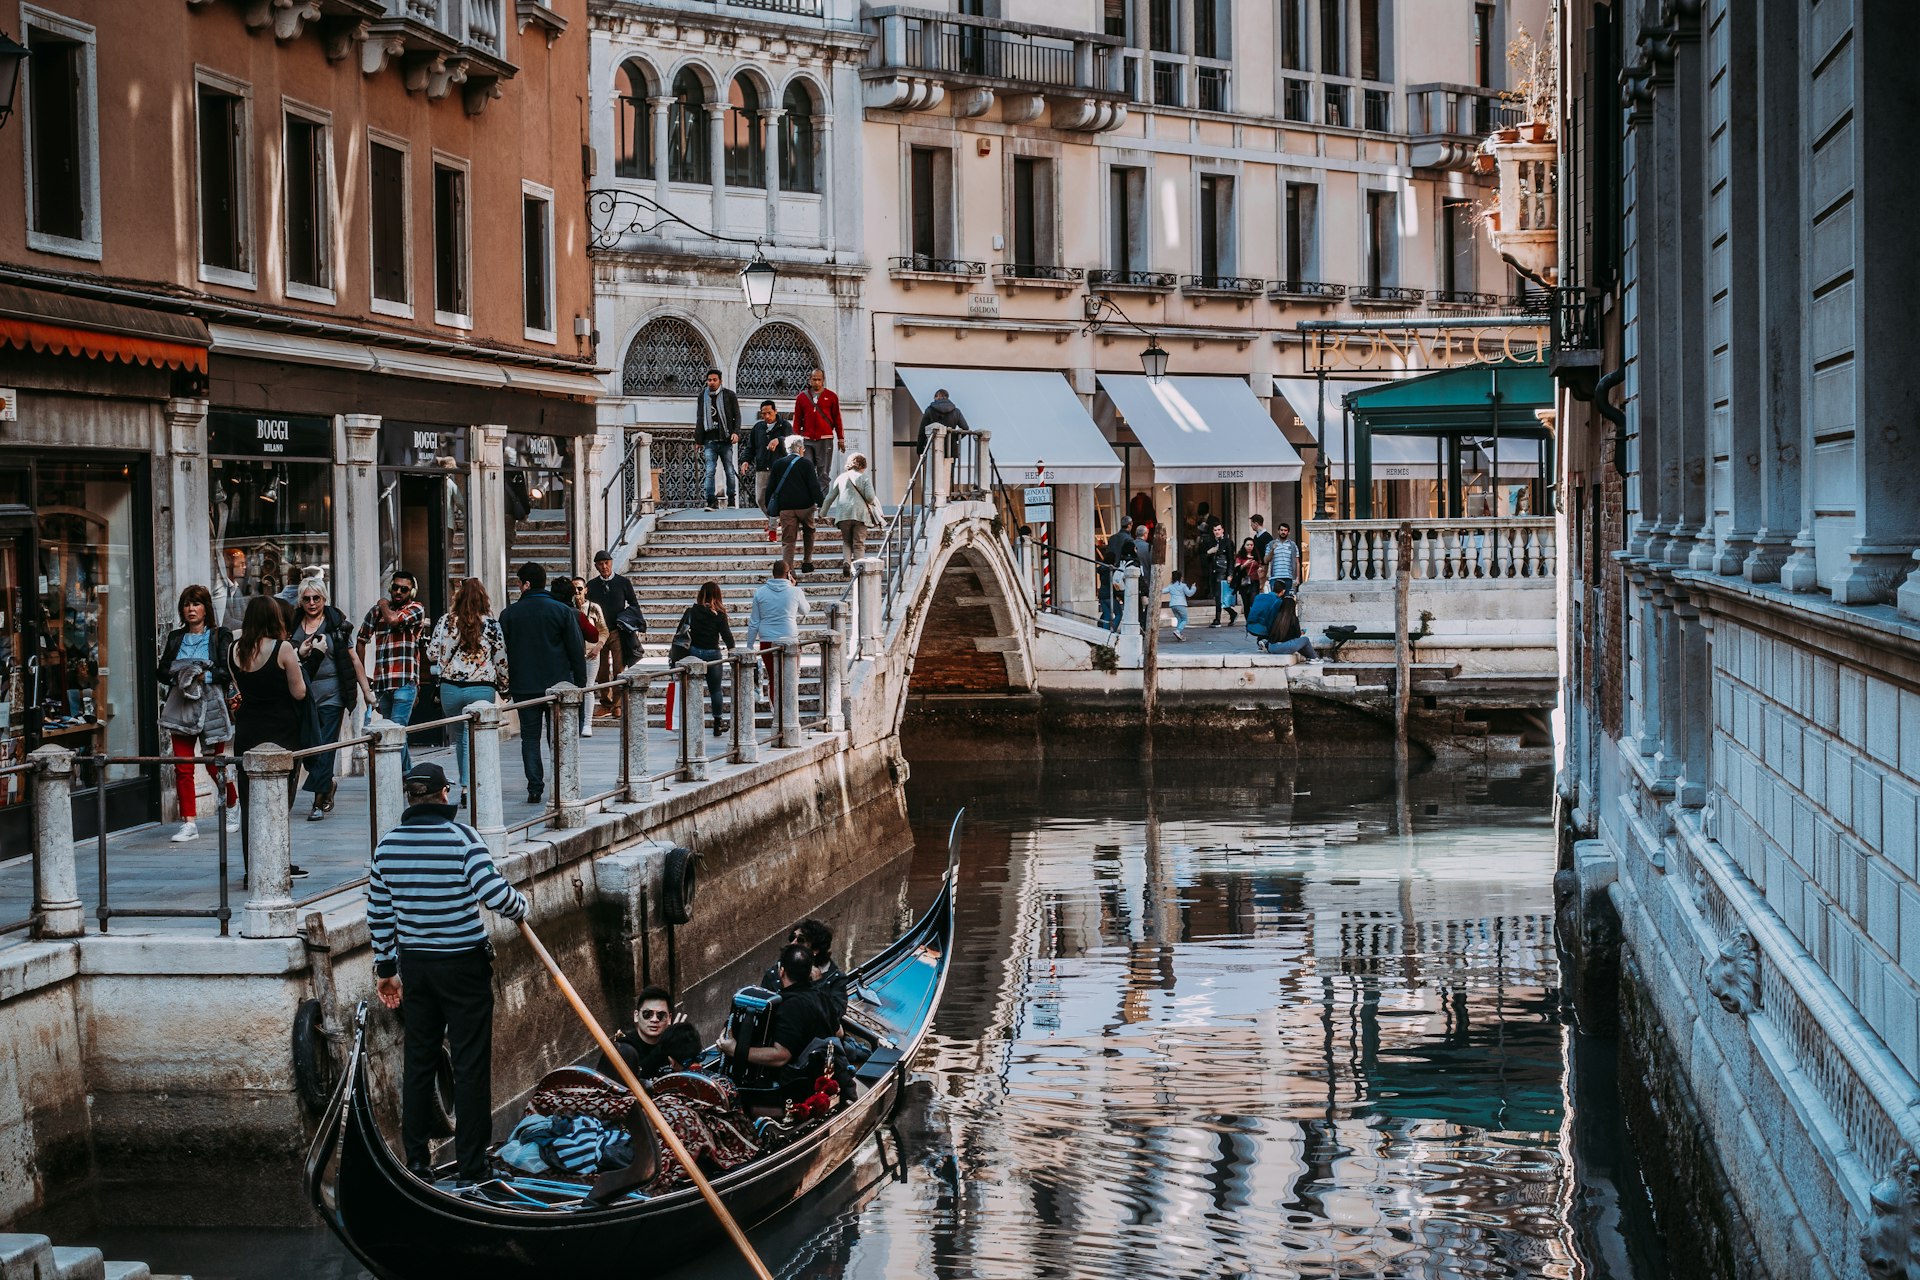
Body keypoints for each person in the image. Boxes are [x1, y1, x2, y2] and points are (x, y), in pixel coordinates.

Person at [368, 761, 529, 1185]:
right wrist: (522, 907)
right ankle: (473, 1167)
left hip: (415, 968)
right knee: (470, 1064)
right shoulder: (462, 838)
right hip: (462, 967)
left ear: (410, 798)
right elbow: (494, 893)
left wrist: (386, 971)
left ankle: (417, 1162)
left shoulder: (387, 846)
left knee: (419, 1062)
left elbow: (379, 916)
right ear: (444, 794)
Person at [229, 595, 309, 878]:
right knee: (279, 801)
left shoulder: (233, 650)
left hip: (248, 729)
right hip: (281, 730)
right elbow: (299, 692)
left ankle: (253, 868)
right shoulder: (283, 648)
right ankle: (278, 864)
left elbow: (241, 688)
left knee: (250, 802)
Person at [498, 562, 587, 806]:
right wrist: (579, 683)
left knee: (529, 737)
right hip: (557, 685)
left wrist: (504, 686)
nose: (518, 587)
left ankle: (534, 787)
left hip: (524, 686)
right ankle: (560, 782)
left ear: (526, 584)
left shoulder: (508, 615)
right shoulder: (562, 611)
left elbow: (501, 653)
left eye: (519, 582)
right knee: (557, 736)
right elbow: (576, 650)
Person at [156, 584, 239, 843]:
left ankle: (232, 805)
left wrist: (204, 675)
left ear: (206, 608)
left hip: (212, 704)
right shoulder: (175, 637)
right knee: (182, 766)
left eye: (197, 604)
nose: (191, 609)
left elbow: (229, 670)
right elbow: (161, 670)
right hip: (181, 704)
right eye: (187, 605)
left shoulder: (220, 635)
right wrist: (180, 675)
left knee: (215, 763)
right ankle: (189, 822)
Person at [290, 578, 372, 822]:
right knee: (308, 751)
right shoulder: (293, 623)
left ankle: (316, 803)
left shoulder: (337, 624)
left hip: (333, 695)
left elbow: (354, 660)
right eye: (307, 598)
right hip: (303, 695)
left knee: (325, 748)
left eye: (317, 598)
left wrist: (366, 691)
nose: (312, 603)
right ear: (300, 601)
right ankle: (328, 785)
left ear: (324, 599)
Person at [425, 578, 508, 798]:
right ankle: (477, 784)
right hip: (481, 687)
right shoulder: (490, 624)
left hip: (450, 688)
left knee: (461, 738)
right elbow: (500, 660)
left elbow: (431, 654)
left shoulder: (445, 621)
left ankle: (464, 784)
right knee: (479, 736)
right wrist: (505, 687)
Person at [715, 942, 840, 1087]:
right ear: (809, 972)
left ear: (781, 971)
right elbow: (839, 1032)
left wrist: (735, 1050)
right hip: (821, 1074)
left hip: (794, 1086)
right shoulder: (822, 995)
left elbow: (781, 1056)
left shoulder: (787, 1006)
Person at [356, 569, 428, 773]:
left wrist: (382, 603)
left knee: (395, 731)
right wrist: (363, 673)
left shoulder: (416, 608)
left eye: (403, 589)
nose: (398, 592)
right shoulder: (376, 611)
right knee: (395, 734)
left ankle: (404, 775)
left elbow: (394, 621)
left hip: (404, 681)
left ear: (411, 592)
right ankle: (407, 775)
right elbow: (361, 640)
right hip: (381, 682)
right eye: (395, 587)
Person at [598, 986, 703, 1081]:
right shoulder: (625, 1047)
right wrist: (667, 1044)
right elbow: (636, 1077)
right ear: (636, 1016)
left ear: (669, 1019)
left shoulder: (674, 1042)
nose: (654, 1019)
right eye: (647, 1014)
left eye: (660, 1015)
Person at [585, 551, 644, 718]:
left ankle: (618, 704)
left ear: (611, 563)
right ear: (596, 566)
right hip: (598, 634)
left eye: (607, 563)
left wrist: (627, 619)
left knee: (619, 668)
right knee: (602, 670)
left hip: (618, 631)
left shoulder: (623, 582)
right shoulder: (592, 585)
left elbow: (634, 604)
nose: (604, 567)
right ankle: (606, 702)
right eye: (600, 564)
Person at [746, 561, 811, 711]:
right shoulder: (795, 592)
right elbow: (805, 610)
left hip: (767, 640)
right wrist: (795, 588)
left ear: (773, 573)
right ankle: (789, 713)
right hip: (790, 638)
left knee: (774, 679)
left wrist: (749, 646)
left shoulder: (760, 592)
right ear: (788, 574)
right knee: (791, 677)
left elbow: (754, 622)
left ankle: (777, 714)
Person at [765, 436, 825, 576]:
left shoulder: (778, 464)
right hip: (806, 507)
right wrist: (821, 504)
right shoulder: (807, 464)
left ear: (787, 449)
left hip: (786, 508)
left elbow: (770, 488)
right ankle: (807, 562)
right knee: (809, 532)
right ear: (800, 449)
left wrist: (770, 508)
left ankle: (788, 570)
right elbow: (814, 486)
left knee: (788, 540)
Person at [681, 580, 735, 735]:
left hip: (694, 653)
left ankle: (692, 724)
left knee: (692, 691)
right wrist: (733, 650)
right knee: (715, 690)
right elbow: (727, 636)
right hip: (713, 654)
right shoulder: (720, 614)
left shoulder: (692, 611)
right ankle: (718, 724)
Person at [819, 453, 881, 573]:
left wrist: (822, 513)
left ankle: (847, 562)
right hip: (861, 515)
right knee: (858, 544)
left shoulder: (841, 478)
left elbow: (829, 497)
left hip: (843, 515)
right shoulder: (864, 478)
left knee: (847, 541)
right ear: (863, 465)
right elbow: (870, 497)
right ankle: (859, 569)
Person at [567, 576, 609, 738]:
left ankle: (587, 723)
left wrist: (599, 646)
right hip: (574, 654)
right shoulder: (568, 608)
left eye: (580, 588)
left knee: (589, 687)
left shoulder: (593, 607)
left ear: (585, 589)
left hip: (591, 653)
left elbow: (603, 629)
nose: (577, 591)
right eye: (574, 588)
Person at [792, 368, 845, 493]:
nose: (816, 382)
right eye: (814, 379)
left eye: (819, 380)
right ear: (810, 380)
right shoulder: (802, 397)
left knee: (824, 472)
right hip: (807, 439)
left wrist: (841, 438)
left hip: (825, 439)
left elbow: (837, 418)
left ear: (823, 380)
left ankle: (823, 502)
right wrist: (795, 439)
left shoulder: (832, 397)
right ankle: (809, 501)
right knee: (807, 469)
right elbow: (797, 419)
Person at [696, 368, 742, 510]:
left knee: (729, 470)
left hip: (726, 439)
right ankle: (711, 501)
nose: (711, 382)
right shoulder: (702, 396)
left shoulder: (729, 395)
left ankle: (732, 500)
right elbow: (700, 418)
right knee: (710, 471)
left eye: (714, 380)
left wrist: (736, 432)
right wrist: (698, 440)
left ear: (720, 381)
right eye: (709, 380)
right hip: (709, 440)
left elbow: (737, 416)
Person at [741, 400, 789, 512]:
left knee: (780, 496)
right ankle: (773, 520)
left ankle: (776, 522)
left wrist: (779, 440)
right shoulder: (758, 427)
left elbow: (793, 442)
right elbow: (751, 447)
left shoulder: (784, 426)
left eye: (769, 413)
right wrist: (745, 460)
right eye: (764, 414)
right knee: (760, 498)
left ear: (776, 411)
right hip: (762, 467)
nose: (767, 416)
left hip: (779, 468)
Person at [1200, 520, 1236, 627]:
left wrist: (1230, 574)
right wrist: (1209, 553)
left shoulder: (1227, 542)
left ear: (1223, 530)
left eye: (1219, 530)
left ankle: (1218, 619)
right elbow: (1205, 559)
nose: (1217, 532)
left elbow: (1231, 559)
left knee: (1219, 596)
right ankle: (1232, 613)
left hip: (1223, 571)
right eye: (1215, 530)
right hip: (1213, 571)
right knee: (1218, 596)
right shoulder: (1211, 542)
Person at [1267, 587, 1320, 659]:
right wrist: (1301, 632)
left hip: (1272, 647)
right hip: (1283, 647)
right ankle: (1314, 658)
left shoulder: (1276, 617)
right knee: (1305, 640)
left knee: (1297, 643)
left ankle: (1310, 657)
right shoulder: (1293, 619)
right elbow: (1297, 636)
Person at [916, 387, 970, 454]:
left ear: (936, 397)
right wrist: (953, 438)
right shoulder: (956, 411)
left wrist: (920, 450)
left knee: (933, 464)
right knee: (950, 464)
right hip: (951, 448)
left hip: (933, 447)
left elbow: (922, 431)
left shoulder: (929, 410)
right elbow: (965, 428)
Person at [1266, 521, 1302, 595]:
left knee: (1287, 599)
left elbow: (1297, 562)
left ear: (1288, 532)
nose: (1283, 532)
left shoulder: (1293, 545)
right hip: (1275, 577)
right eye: (1281, 530)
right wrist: (1272, 550)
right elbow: (1266, 560)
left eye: (1285, 530)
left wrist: (1298, 578)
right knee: (1275, 599)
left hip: (1288, 577)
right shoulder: (1271, 544)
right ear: (1278, 531)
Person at [1232, 537, 1263, 614]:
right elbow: (1237, 568)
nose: (1249, 546)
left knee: (1253, 601)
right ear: (1244, 546)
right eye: (1248, 545)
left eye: (1251, 545)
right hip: (1244, 582)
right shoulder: (1240, 556)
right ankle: (1248, 622)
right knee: (1246, 604)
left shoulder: (1256, 555)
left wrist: (1260, 569)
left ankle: (1253, 618)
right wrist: (1245, 564)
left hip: (1254, 581)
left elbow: (1260, 565)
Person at [1161, 571, 1195, 642]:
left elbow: (1163, 591)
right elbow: (1189, 594)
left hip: (1173, 605)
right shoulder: (1183, 586)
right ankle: (1178, 631)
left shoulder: (1170, 586)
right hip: (1181, 604)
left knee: (1179, 619)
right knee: (1185, 619)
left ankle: (1179, 634)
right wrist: (1193, 587)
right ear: (1181, 578)